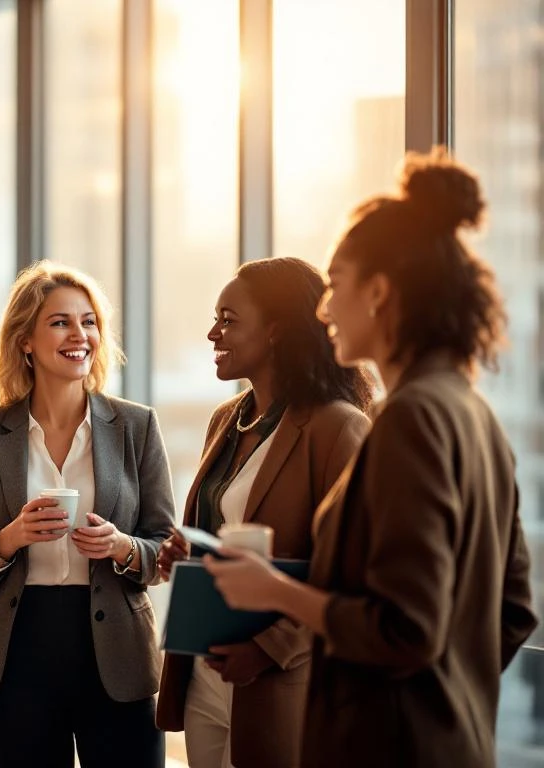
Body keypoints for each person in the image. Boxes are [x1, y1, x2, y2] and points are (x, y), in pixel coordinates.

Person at [206, 148, 539, 768]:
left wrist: (274, 590)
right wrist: (451, 693)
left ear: (380, 292)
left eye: (336, 283)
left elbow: (405, 629)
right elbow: (513, 609)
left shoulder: (411, 421)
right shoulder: (472, 411)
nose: (325, 307)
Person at [0, 260, 176, 768]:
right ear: (25, 339)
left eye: (89, 320)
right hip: (13, 655)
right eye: (60, 322)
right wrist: (9, 538)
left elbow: (164, 549)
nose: (81, 334)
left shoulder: (136, 426)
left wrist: (120, 546)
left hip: (115, 654)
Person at [155, 257, 372, 767]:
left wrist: (269, 649)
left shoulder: (339, 428)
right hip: (205, 674)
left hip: (279, 679)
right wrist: (189, 556)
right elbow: (225, 530)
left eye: (229, 320)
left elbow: (351, 573)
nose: (213, 333)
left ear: (276, 331)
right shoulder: (226, 420)